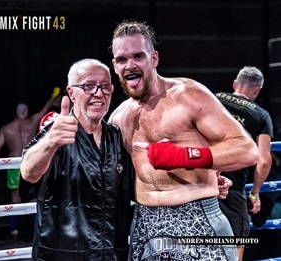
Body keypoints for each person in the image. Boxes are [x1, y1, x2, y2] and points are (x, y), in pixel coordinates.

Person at [108, 20, 259, 261]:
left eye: (138, 56)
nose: (130, 65)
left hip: (198, 218)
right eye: (122, 59)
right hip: (145, 225)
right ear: (115, 65)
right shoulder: (118, 118)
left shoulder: (188, 95)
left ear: (154, 59)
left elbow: (248, 151)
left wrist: (184, 157)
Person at [19, 59, 134, 260]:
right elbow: (28, 179)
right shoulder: (57, 133)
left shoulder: (117, 137)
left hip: (111, 254)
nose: (98, 93)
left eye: (105, 86)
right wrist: (50, 142)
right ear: (71, 93)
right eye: (88, 86)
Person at [215, 66, 273, 261]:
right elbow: (264, 161)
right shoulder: (261, 115)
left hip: (201, 180)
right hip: (232, 188)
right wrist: (255, 193)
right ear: (257, 90)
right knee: (237, 241)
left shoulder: (211, 99)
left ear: (234, 85)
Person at [0, 88, 61, 236]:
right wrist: (53, 95)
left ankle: (14, 229)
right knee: (33, 197)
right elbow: (45, 109)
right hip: (30, 161)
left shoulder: (6, 129)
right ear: (25, 111)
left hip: (13, 164)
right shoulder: (32, 122)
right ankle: (38, 229)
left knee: (15, 198)